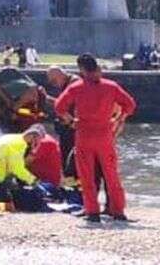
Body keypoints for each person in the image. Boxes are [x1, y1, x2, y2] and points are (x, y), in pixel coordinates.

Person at [54, 54, 136, 223]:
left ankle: (92, 211)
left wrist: (71, 120)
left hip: (84, 133)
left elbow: (59, 106)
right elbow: (130, 105)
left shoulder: (76, 87)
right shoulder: (111, 86)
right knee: (111, 174)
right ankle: (117, 210)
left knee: (87, 175)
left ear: (82, 69)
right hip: (105, 133)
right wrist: (118, 118)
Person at [44, 66, 77, 174]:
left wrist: (48, 98)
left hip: (73, 128)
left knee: (71, 160)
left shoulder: (74, 84)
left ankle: (74, 184)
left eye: (53, 80)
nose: (53, 84)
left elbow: (64, 106)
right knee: (65, 158)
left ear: (61, 75)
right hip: (67, 128)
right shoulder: (66, 84)